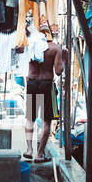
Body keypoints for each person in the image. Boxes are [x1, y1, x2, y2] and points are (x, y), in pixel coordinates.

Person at [23, 29, 67, 163]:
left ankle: (29, 150)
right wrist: (64, 58)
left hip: (32, 83)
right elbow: (59, 71)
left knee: (30, 119)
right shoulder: (55, 48)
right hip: (47, 84)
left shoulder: (30, 44)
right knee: (47, 120)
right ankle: (40, 154)